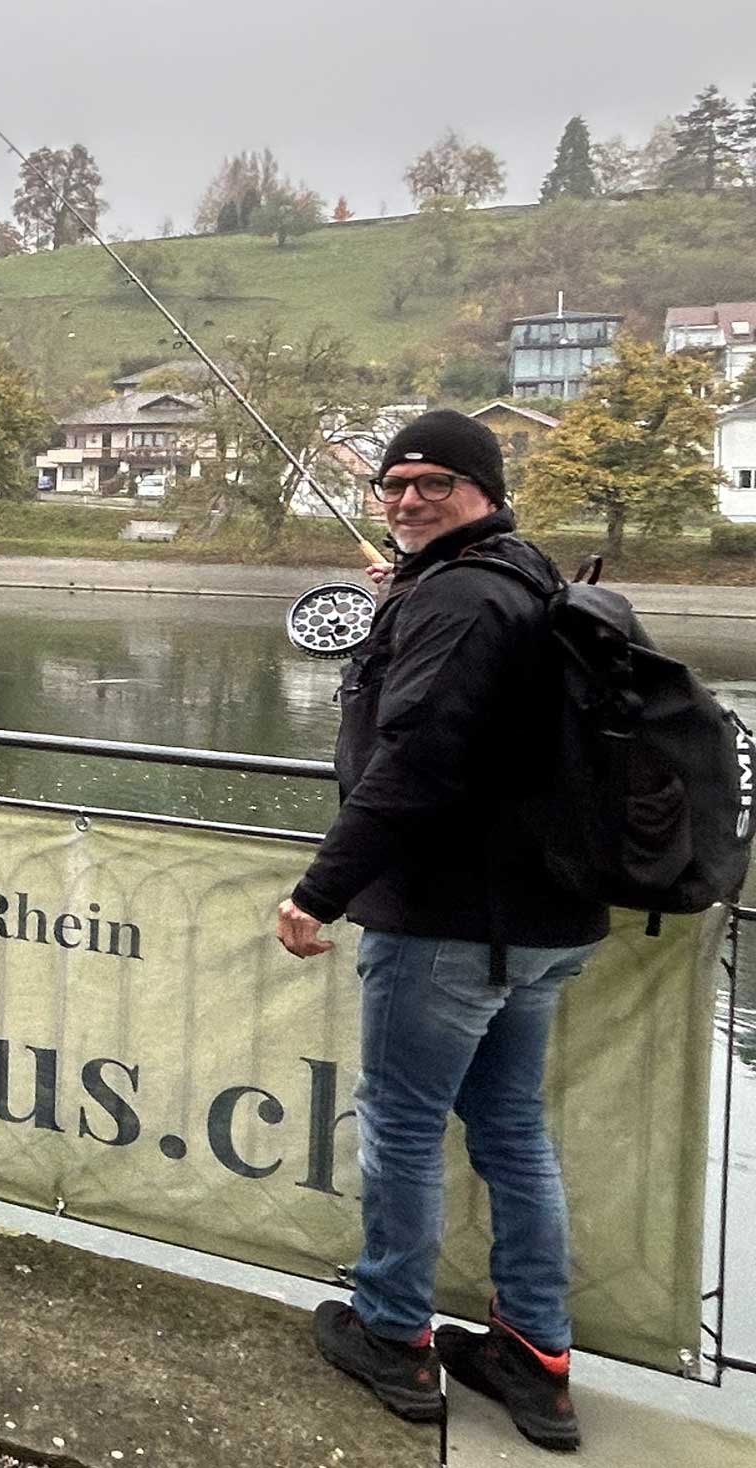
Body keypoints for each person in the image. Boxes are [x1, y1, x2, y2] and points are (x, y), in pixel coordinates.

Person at [274, 409, 607, 1452]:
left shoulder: (460, 598)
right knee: (511, 1128)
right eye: (394, 483)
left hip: (455, 919)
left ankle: (395, 1336)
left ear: (484, 488)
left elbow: (413, 764)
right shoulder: (521, 577)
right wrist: (404, 597)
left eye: (435, 483)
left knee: (407, 1128)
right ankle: (535, 1356)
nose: (409, 498)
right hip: (544, 918)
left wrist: (319, 891)